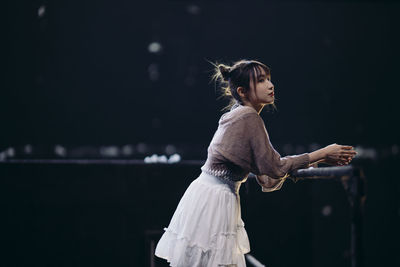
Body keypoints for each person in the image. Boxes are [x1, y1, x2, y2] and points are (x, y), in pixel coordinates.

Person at [155, 59, 357, 267]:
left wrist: (321, 159)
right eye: (261, 81)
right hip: (214, 199)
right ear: (242, 91)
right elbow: (275, 167)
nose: (270, 85)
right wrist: (322, 153)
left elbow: (267, 177)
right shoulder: (248, 117)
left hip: (209, 196)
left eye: (269, 79)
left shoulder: (238, 115)